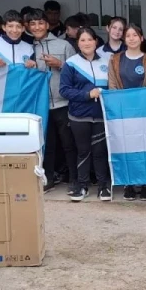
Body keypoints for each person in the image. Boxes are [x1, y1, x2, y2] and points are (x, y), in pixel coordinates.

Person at [105, 24, 146, 201]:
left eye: (135, 35)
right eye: (128, 36)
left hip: (144, 112)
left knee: (144, 147)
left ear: (141, 38)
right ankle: (128, 183)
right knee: (126, 147)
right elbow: (112, 85)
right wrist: (122, 105)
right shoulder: (115, 59)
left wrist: (139, 106)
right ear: (124, 39)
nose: (132, 38)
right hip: (122, 112)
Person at [59, 27, 111, 202]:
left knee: (100, 152)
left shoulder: (107, 61)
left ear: (96, 41)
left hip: (101, 115)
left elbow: (114, 86)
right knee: (83, 151)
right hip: (79, 116)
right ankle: (82, 186)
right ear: (78, 43)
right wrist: (87, 95)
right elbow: (64, 90)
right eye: (82, 40)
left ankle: (103, 186)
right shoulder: (71, 64)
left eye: (90, 39)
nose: (87, 43)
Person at [28, 8, 77, 192]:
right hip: (40, 104)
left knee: (68, 144)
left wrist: (60, 64)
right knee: (46, 144)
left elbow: (77, 72)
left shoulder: (64, 45)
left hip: (64, 102)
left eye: (40, 23)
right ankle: (48, 178)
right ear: (28, 27)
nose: (37, 27)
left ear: (47, 25)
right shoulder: (28, 48)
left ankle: (74, 179)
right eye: (33, 24)